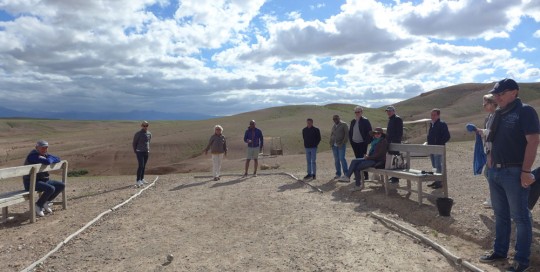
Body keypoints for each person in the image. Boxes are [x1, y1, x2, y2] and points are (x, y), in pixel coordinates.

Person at [478, 78, 539, 272]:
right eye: (496, 94)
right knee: (500, 215)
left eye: (501, 93)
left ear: (515, 92)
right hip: (495, 171)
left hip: (514, 171)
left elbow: (533, 141)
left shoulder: (525, 111)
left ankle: (522, 261)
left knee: (521, 217)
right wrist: (489, 161)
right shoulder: (497, 113)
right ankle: (500, 252)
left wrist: (526, 171)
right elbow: (491, 140)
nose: (497, 97)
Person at [22, 140, 65, 217]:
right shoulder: (33, 156)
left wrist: (49, 158)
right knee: (50, 188)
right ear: (37, 148)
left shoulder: (44, 155)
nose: (44, 149)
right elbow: (47, 162)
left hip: (43, 180)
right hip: (31, 183)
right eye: (42, 148)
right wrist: (49, 159)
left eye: (46, 148)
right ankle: (38, 205)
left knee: (61, 185)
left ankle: (45, 202)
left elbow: (57, 159)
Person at [339, 127, 388, 191]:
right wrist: (368, 155)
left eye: (378, 133)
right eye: (375, 133)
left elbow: (379, 155)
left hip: (377, 161)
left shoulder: (383, 142)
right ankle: (348, 177)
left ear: (381, 134)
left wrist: (368, 157)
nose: (376, 135)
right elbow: (372, 152)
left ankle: (357, 185)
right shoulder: (375, 141)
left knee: (357, 167)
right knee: (354, 161)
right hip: (371, 159)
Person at [474, 94, 498, 208]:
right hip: (490, 149)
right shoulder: (489, 116)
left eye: (485, 104)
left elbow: (496, 133)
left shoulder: (498, 115)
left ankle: (496, 199)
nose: (484, 106)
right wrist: (482, 131)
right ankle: (495, 198)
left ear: (492, 102)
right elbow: (489, 131)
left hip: (496, 151)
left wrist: (483, 131)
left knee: (490, 174)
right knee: (489, 173)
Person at [426, 108, 451, 189]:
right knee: (434, 165)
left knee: (438, 165)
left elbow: (447, 136)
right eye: (431, 115)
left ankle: (439, 182)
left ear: (438, 115)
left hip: (438, 148)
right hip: (431, 148)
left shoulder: (442, 124)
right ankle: (436, 180)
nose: (432, 116)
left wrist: (439, 144)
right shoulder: (432, 124)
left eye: (434, 115)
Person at [349, 106, 373, 180]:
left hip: (362, 143)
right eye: (355, 112)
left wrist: (366, 142)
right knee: (357, 158)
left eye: (358, 112)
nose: (357, 113)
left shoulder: (365, 121)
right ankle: (358, 175)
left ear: (361, 112)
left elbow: (370, 132)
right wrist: (351, 140)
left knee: (363, 159)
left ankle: (366, 176)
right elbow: (350, 132)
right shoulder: (353, 121)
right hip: (354, 143)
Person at [385, 106, 403, 183]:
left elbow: (399, 132)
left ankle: (396, 178)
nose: (388, 112)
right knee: (392, 160)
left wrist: (395, 141)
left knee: (395, 160)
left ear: (394, 111)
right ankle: (393, 176)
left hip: (395, 142)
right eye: (387, 111)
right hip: (390, 142)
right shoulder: (391, 119)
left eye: (390, 111)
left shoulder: (397, 119)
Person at [133, 121, 152, 188]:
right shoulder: (138, 134)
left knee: (144, 166)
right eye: (144, 126)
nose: (145, 127)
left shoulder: (149, 134)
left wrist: (148, 149)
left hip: (146, 151)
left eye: (146, 125)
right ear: (141, 126)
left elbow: (148, 142)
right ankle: (138, 180)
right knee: (141, 165)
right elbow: (134, 143)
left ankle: (142, 179)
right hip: (139, 151)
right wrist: (135, 151)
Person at [330, 114, 349, 180]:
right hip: (334, 145)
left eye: (336, 118)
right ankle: (338, 174)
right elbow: (332, 134)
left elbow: (346, 135)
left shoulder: (344, 124)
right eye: (334, 119)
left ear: (339, 118)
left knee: (342, 159)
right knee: (336, 160)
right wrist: (331, 143)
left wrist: (342, 143)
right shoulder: (334, 126)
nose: (335, 120)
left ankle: (346, 174)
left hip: (341, 145)